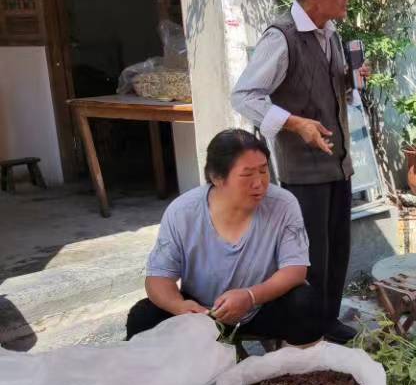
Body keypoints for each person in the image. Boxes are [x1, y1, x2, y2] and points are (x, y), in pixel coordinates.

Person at [231, 0, 365, 342]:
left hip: (338, 164)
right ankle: (306, 332)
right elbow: (244, 95)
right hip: (303, 173)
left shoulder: (330, 33)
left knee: (337, 250)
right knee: (310, 258)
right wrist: (293, 123)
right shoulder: (282, 37)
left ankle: (328, 321)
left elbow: (327, 88)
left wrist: (350, 79)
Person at [127, 129, 351, 345]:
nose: (259, 183)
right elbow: (158, 278)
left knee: (307, 304)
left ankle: (293, 366)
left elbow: (295, 270)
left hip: (261, 307)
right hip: (201, 313)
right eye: (247, 175)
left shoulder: (283, 204)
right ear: (217, 178)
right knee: (143, 318)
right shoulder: (182, 212)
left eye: (263, 171)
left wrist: (250, 297)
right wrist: (180, 307)